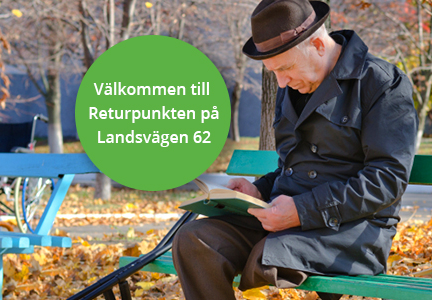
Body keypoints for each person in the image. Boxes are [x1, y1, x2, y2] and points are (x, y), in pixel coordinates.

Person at [171, 0, 418, 299]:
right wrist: (258, 191)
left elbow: (386, 180)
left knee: (269, 254)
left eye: (285, 68)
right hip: (282, 220)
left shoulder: (382, 83)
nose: (281, 81)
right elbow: (290, 166)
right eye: (273, 72)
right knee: (194, 240)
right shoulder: (294, 84)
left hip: (352, 230)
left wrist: (302, 211)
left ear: (317, 44)